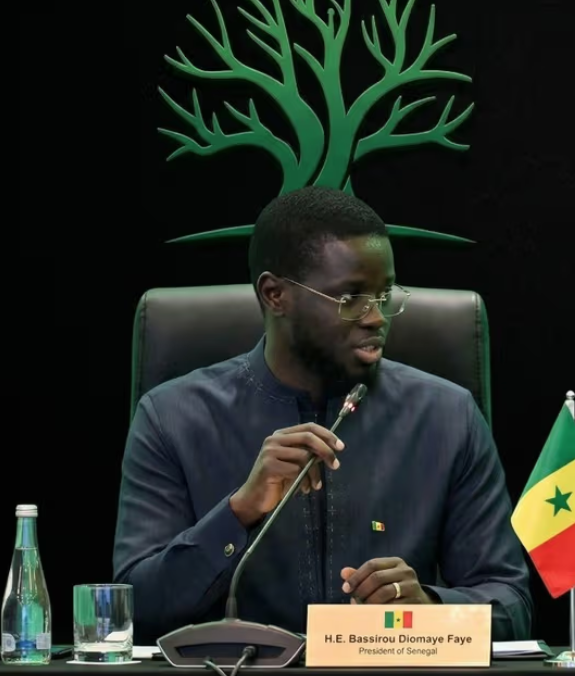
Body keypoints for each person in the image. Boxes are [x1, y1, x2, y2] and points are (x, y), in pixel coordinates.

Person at [113, 186, 532, 642]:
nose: (377, 318)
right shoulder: (173, 418)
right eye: (351, 298)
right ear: (275, 295)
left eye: (385, 294)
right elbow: (135, 611)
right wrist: (239, 511)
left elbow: (511, 604)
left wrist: (429, 608)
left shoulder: (447, 417)